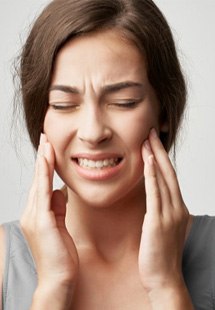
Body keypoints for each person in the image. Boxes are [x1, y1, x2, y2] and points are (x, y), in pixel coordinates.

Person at [0, 0, 214, 309]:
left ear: (164, 111)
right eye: (63, 104)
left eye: (124, 101)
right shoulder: (6, 261)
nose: (92, 131)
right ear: (40, 118)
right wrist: (52, 289)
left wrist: (167, 287)